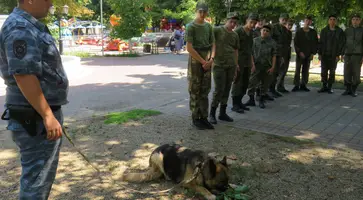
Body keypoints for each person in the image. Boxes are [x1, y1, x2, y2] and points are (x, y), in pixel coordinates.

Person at [0, 0, 69, 199]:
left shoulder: (28, 25)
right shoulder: (20, 27)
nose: (51, 2)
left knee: (39, 179)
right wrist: (48, 116)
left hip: (37, 115)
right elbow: (23, 75)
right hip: (35, 117)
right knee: (36, 182)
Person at [185, 1, 215, 130]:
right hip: (196, 61)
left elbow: (213, 44)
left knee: (205, 89)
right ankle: (195, 118)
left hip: (208, 60)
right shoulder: (191, 27)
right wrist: (203, 62)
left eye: (204, 11)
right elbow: (189, 48)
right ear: (196, 11)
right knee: (195, 89)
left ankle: (204, 117)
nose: (202, 14)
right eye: (200, 11)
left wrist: (211, 59)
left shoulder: (209, 27)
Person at [209, 12, 239, 124]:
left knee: (227, 89)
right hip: (219, 65)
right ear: (226, 20)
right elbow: (210, 43)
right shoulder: (217, 30)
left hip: (231, 65)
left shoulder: (235, 35)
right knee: (218, 89)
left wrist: (236, 66)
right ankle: (212, 114)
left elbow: (236, 51)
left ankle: (222, 113)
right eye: (231, 21)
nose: (232, 24)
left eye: (235, 23)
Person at [231, 13, 258, 114]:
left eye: (255, 23)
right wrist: (235, 62)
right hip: (239, 61)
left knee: (245, 83)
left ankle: (240, 102)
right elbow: (234, 48)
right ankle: (235, 104)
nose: (253, 25)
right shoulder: (238, 31)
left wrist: (252, 63)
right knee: (238, 82)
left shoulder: (251, 33)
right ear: (247, 20)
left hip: (247, 61)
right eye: (251, 22)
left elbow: (250, 49)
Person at [245, 24, 277, 109]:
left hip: (267, 66)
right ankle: (251, 99)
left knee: (265, 84)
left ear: (269, 33)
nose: (265, 32)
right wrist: (252, 65)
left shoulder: (272, 42)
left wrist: (273, 67)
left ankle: (261, 100)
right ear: (260, 31)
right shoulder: (255, 41)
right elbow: (251, 53)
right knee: (252, 82)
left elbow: (274, 55)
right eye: (264, 30)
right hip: (256, 66)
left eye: (267, 31)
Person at [318, 14, 345, 94]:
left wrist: (339, 55)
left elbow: (341, 44)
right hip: (324, 54)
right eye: (331, 19)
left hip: (334, 55)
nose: (332, 21)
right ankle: (324, 86)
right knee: (323, 71)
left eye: (334, 19)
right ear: (328, 21)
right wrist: (319, 53)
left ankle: (329, 87)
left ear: (336, 21)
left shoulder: (340, 31)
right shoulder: (324, 30)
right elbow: (320, 43)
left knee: (332, 72)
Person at [292, 15, 319, 92]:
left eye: (309, 21)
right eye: (306, 20)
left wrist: (312, 53)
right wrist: (299, 52)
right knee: (297, 70)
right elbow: (296, 43)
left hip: (308, 54)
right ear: (304, 21)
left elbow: (315, 43)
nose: (308, 22)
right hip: (300, 54)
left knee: (306, 70)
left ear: (311, 22)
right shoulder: (299, 31)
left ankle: (303, 84)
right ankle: (296, 85)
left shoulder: (313, 32)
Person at [342, 13, 363, 97]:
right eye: (354, 19)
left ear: (360, 21)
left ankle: (353, 90)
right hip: (347, 54)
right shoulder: (347, 30)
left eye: (357, 19)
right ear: (351, 21)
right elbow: (343, 42)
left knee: (356, 74)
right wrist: (342, 53)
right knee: (347, 73)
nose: (355, 21)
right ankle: (348, 89)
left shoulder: (362, 30)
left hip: (357, 55)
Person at [270, 13, 291, 96]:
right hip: (275, 54)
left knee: (277, 72)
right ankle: (270, 90)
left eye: (286, 19)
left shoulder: (286, 30)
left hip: (283, 54)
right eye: (283, 19)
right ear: (279, 19)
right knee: (273, 72)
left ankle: (273, 89)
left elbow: (286, 43)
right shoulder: (274, 27)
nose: (284, 21)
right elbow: (270, 40)